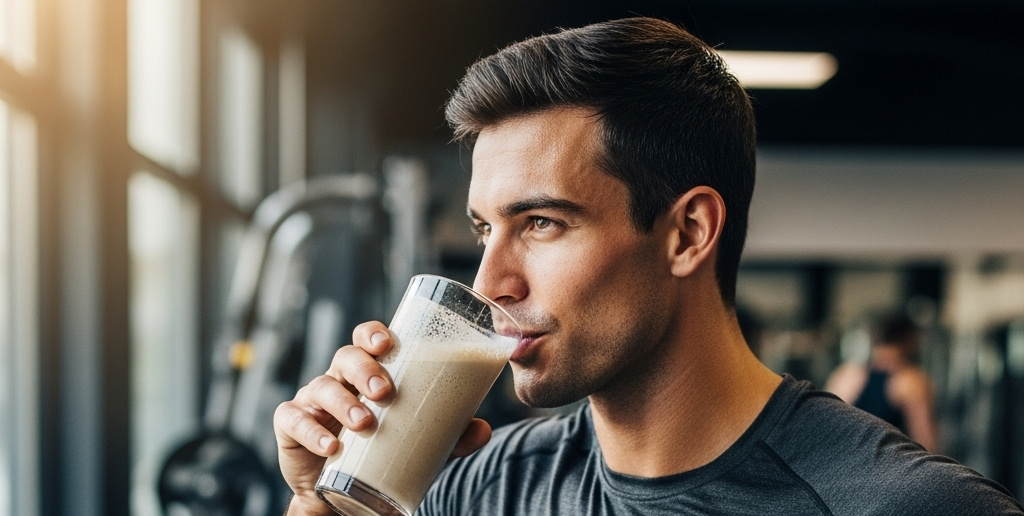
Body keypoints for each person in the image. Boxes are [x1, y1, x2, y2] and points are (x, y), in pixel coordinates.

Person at [273, 17, 1024, 515]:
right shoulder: (479, 487)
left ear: (688, 233)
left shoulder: (906, 508)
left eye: (541, 223)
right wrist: (319, 502)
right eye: (483, 230)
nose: (489, 283)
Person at [825, 313, 939, 452]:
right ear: (909, 340)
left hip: (844, 464)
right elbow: (926, 442)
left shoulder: (845, 375)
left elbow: (826, 430)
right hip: (890, 468)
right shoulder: (911, 380)